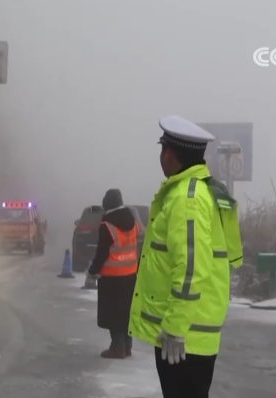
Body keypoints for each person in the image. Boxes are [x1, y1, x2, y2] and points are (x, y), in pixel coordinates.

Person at [127, 115, 243, 398]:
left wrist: (175, 328)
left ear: (170, 154)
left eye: (162, 150)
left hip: (183, 338)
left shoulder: (186, 199)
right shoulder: (201, 191)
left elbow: (192, 267)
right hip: (192, 333)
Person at [87, 188, 141, 359]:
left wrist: (93, 271)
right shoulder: (132, 221)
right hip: (131, 273)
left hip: (111, 276)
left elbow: (102, 252)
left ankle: (117, 347)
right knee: (126, 310)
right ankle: (127, 346)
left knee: (113, 312)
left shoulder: (107, 226)